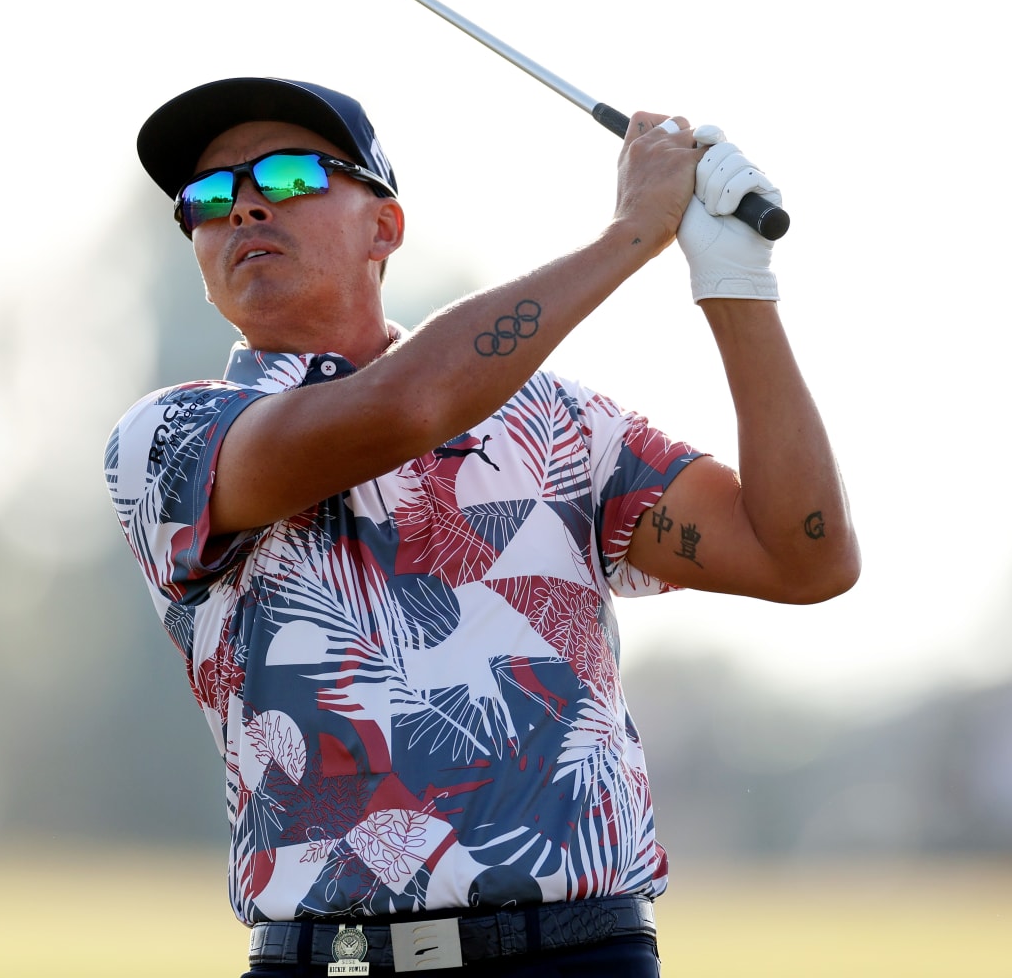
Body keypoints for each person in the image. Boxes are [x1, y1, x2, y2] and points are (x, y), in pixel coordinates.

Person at [104, 77, 859, 977]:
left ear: (385, 226)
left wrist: (736, 284)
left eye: (293, 174)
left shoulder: (559, 425)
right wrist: (629, 237)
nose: (247, 205)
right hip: (334, 962)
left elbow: (804, 556)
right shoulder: (169, 440)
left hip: (581, 954)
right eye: (209, 198)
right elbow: (407, 404)